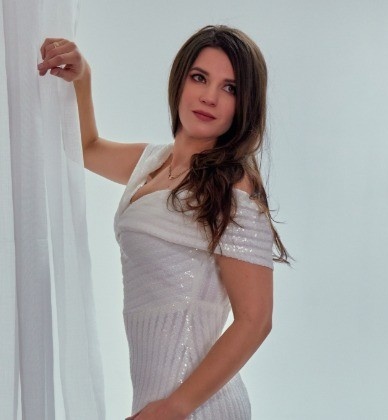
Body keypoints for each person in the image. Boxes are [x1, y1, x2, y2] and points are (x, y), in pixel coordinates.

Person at [38, 25, 289, 420]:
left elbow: (255, 320)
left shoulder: (233, 185)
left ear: (245, 105)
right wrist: (82, 77)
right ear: (180, 80)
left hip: (198, 408)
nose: (209, 97)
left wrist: (175, 407)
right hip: (157, 403)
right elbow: (85, 148)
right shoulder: (152, 162)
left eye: (230, 88)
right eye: (200, 78)